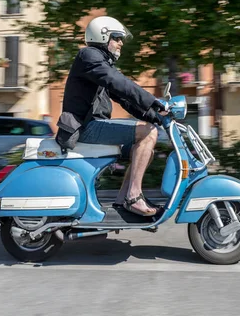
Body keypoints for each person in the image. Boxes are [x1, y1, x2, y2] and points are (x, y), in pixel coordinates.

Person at [58, 16, 167, 217]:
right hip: (85, 127)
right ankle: (134, 197)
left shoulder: (98, 63)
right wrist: (153, 101)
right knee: (149, 133)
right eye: (117, 38)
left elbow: (123, 98)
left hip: (94, 126)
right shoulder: (88, 56)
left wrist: (156, 116)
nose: (121, 43)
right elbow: (116, 81)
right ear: (103, 36)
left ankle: (123, 200)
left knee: (145, 149)